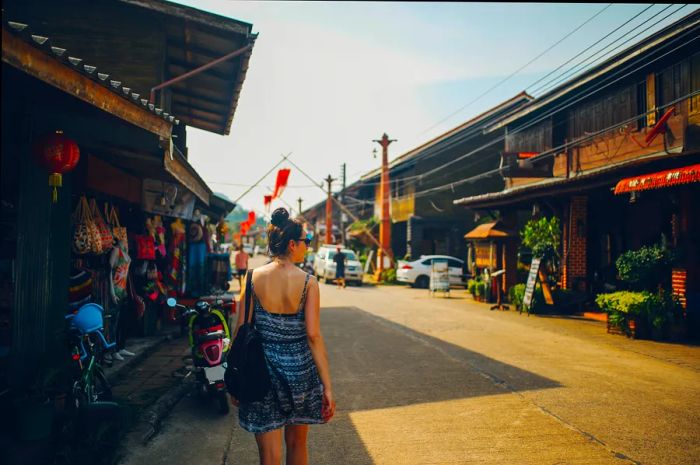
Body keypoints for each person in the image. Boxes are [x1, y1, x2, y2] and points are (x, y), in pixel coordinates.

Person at [232, 207, 335, 465]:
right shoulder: (309, 283)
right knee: (298, 445)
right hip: (300, 375)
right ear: (292, 244)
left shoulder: (253, 277)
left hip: (261, 373)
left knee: (269, 455)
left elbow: (241, 329)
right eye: (306, 242)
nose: (308, 247)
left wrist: (233, 374)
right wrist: (328, 387)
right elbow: (313, 335)